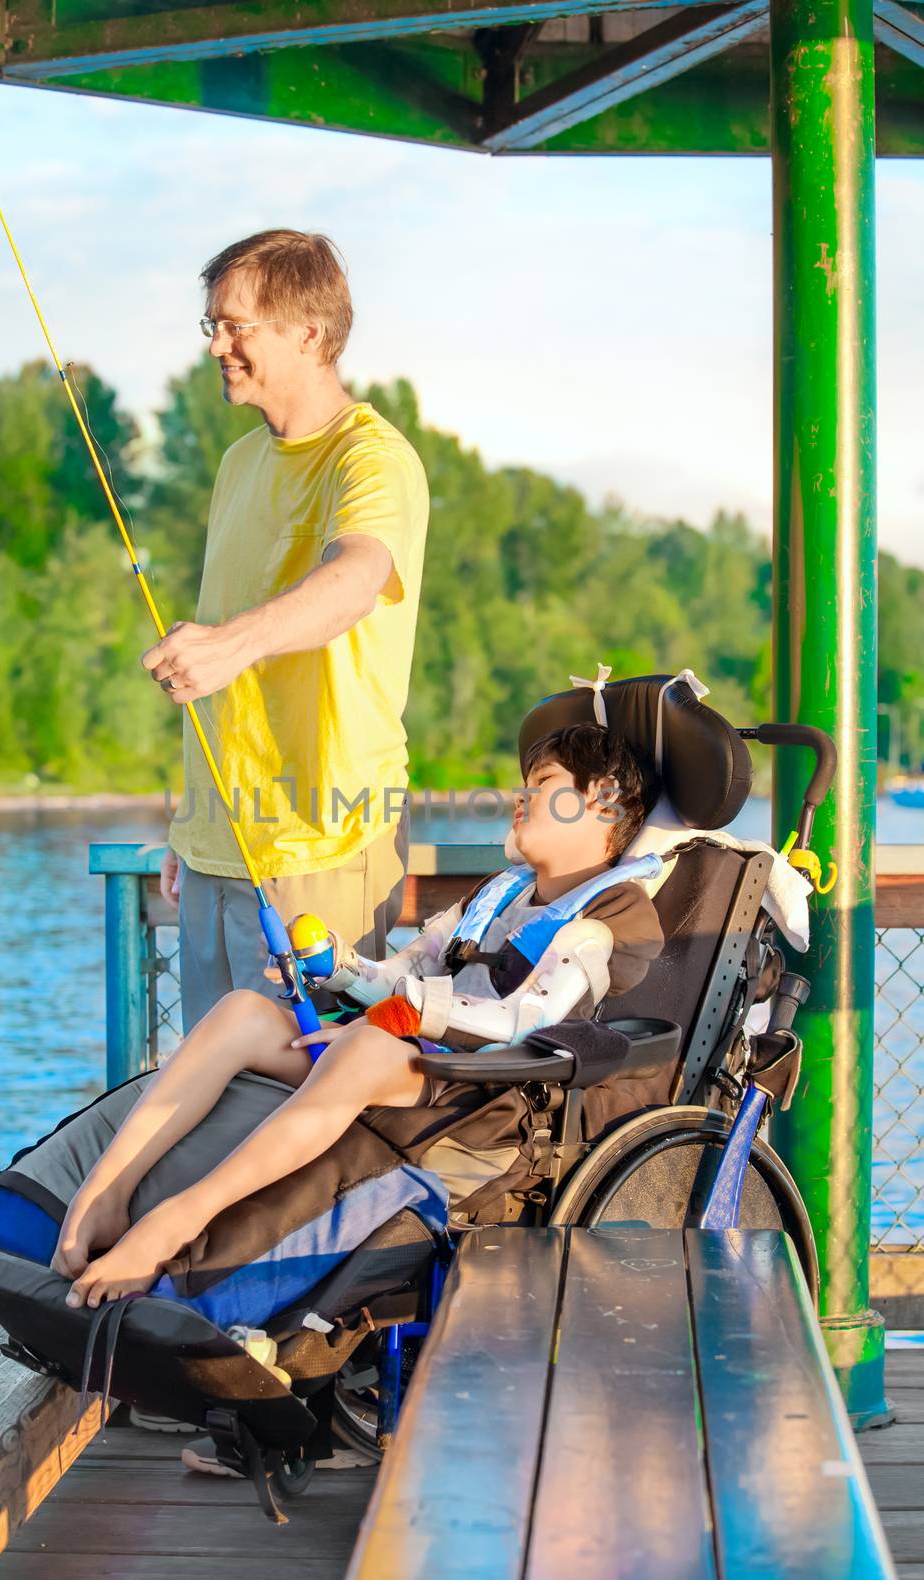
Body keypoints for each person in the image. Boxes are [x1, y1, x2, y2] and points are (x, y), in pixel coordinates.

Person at [54, 725, 664, 1309]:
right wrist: (336, 966)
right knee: (243, 1012)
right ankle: (102, 1194)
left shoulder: (608, 917)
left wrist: (398, 1017)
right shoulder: (499, 893)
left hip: (496, 1098)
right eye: (524, 782)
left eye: (544, 782)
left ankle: (175, 1222)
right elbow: (408, 967)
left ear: (605, 804)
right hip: (413, 1062)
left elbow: (521, 1023)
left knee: (365, 1048)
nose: (521, 796)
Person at [146, 230, 429, 1034]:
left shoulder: (371, 459)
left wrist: (229, 642)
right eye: (212, 327)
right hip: (214, 844)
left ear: (308, 332)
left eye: (236, 326)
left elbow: (356, 578)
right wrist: (190, 821)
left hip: (323, 845)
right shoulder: (238, 462)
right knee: (211, 1090)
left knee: (305, 1103)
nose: (218, 347)